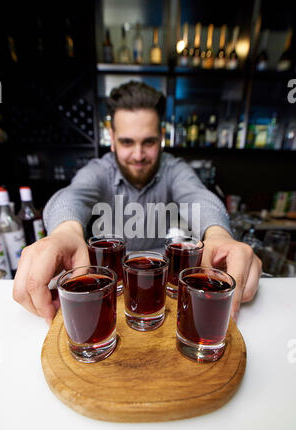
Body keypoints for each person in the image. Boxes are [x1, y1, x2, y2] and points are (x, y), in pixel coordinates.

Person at [13, 81, 262, 324]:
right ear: (112, 138)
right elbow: (72, 194)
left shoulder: (173, 168)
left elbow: (198, 196)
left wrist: (218, 235)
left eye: (149, 142)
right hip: (110, 294)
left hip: (160, 292)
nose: (139, 155)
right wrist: (65, 231)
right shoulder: (100, 170)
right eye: (127, 142)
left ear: (161, 138)